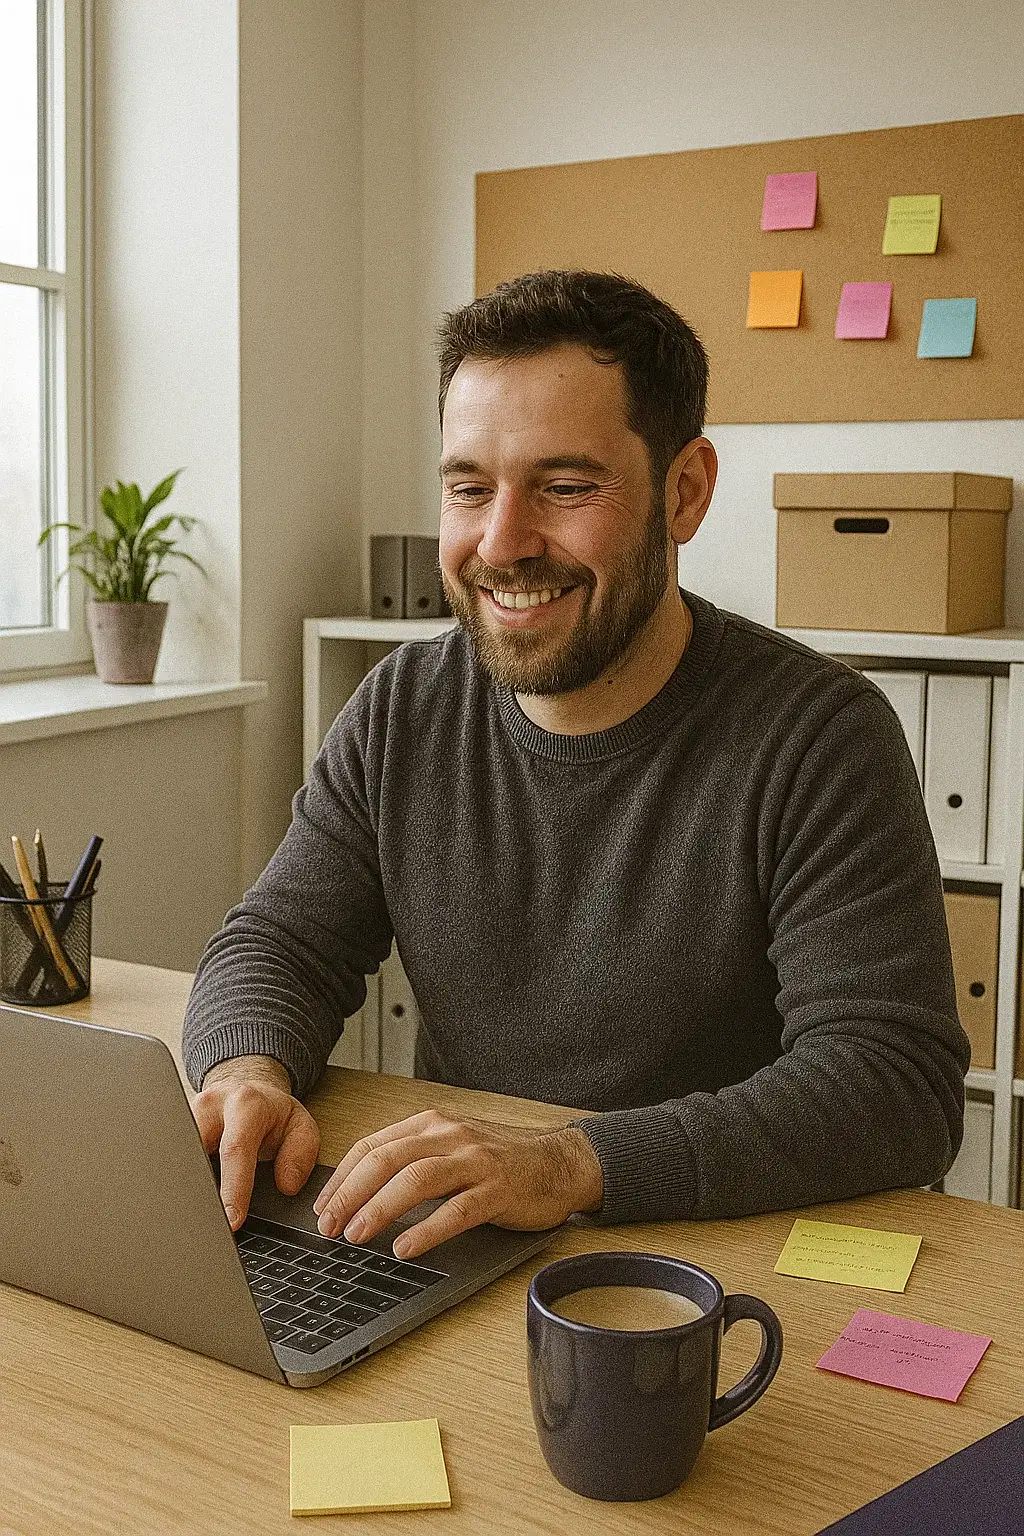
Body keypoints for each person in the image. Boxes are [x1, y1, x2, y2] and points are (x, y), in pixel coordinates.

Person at [183, 270, 968, 1261]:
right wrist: (247, 1072)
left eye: (565, 487)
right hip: (463, 1248)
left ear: (683, 493)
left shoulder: (818, 735)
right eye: (468, 488)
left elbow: (893, 1084)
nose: (501, 543)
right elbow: (280, 942)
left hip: (715, 1264)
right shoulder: (401, 708)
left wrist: (565, 1165)